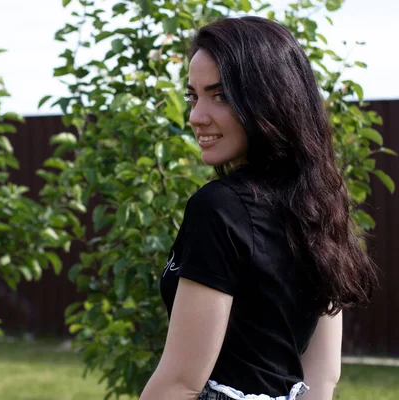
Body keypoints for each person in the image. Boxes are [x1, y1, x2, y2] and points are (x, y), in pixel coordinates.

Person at [139, 16, 378, 400]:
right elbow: (322, 376)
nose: (196, 116)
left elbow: (180, 383)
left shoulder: (219, 208)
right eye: (193, 96)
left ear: (270, 99)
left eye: (220, 95)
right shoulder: (320, 203)